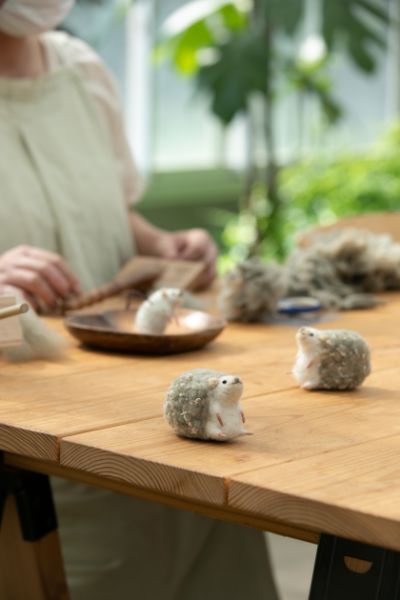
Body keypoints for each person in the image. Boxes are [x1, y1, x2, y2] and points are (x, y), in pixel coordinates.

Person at [0, 1, 280, 599]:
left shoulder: (79, 68)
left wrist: (163, 242)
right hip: (52, 451)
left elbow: (107, 207)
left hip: (169, 421)